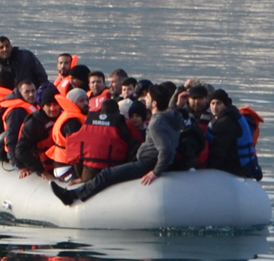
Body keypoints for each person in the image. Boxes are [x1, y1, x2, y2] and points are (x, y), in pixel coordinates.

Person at [51, 84, 184, 206]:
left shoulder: (156, 123)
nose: (146, 99)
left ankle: (72, 195)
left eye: (148, 97)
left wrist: (155, 172)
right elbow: (171, 109)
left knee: (107, 174)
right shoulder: (169, 117)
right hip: (148, 160)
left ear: (154, 103)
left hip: (147, 164)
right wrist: (179, 91)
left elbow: (166, 150)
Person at [65, 99, 139, 183]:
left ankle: (80, 179)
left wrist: (80, 175)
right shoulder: (126, 124)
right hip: (113, 170)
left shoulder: (88, 124)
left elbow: (75, 147)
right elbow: (139, 142)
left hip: (89, 173)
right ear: (118, 111)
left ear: (100, 111)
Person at [206, 89, 263, 180]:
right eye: (212, 103)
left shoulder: (226, 122)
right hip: (244, 166)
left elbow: (220, 150)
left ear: (225, 105)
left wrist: (209, 167)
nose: (215, 107)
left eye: (219, 103)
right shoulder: (232, 115)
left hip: (236, 168)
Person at [15, 86, 62, 179]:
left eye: (55, 104)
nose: (52, 108)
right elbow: (20, 150)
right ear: (43, 106)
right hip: (42, 166)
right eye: (49, 105)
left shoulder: (65, 120)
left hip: (61, 165)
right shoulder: (33, 124)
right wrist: (41, 171)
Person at [0, 80, 38, 165]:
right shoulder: (16, 112)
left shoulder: (35, 107)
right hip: (19, 156)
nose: (31, 94)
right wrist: (19, 165)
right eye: (27, 92)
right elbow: (11, 138)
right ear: (20, 93)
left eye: (33, 91)